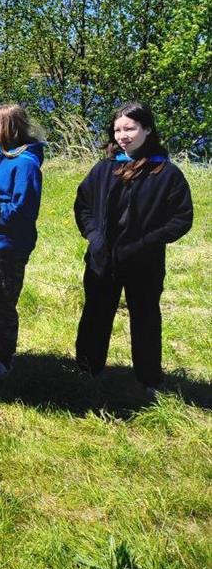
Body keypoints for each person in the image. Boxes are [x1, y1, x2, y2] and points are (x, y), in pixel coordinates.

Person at [74, 102, 193, 395]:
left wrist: (146, 243)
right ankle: (89, 370)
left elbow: (181, 218)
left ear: (147, 129)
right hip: (103, 259)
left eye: (130, 128)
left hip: (144, 262)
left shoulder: (165, 172)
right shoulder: (104, 169)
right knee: (95, 315)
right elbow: (83, 205)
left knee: (146, 318)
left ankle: (149, 379)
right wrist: (94, 237)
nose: (123, 135)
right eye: (117, 129)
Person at [0, 104, 45, 384]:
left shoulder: (26, 165)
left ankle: (3, 359)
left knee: (1, 302)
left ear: (8, 128)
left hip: (8, 245)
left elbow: (23, 210)